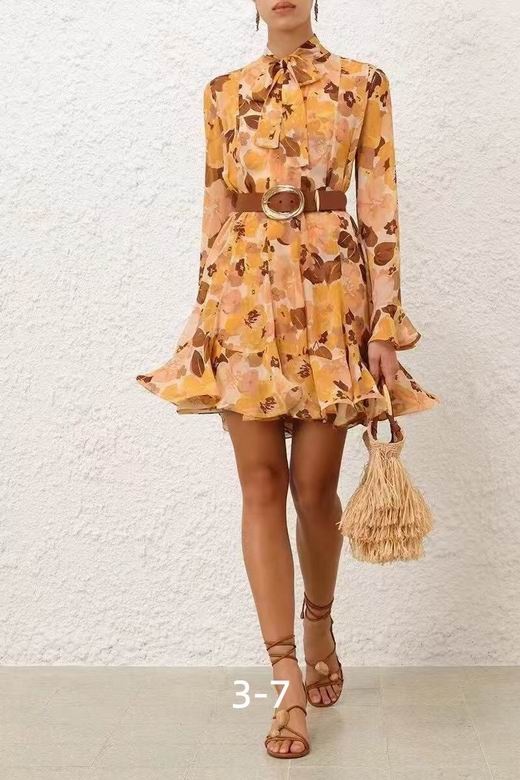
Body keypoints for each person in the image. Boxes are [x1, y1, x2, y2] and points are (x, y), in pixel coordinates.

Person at [136, 0, 439, 760]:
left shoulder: (363, 82)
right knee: (261, 484)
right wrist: (203, 322)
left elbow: (380, 206)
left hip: (333, 299)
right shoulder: (222, 92)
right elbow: (214, 212)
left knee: (313, 489)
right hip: (242, 301)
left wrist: (384, 323)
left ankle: (319, 622)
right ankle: (285, 681)